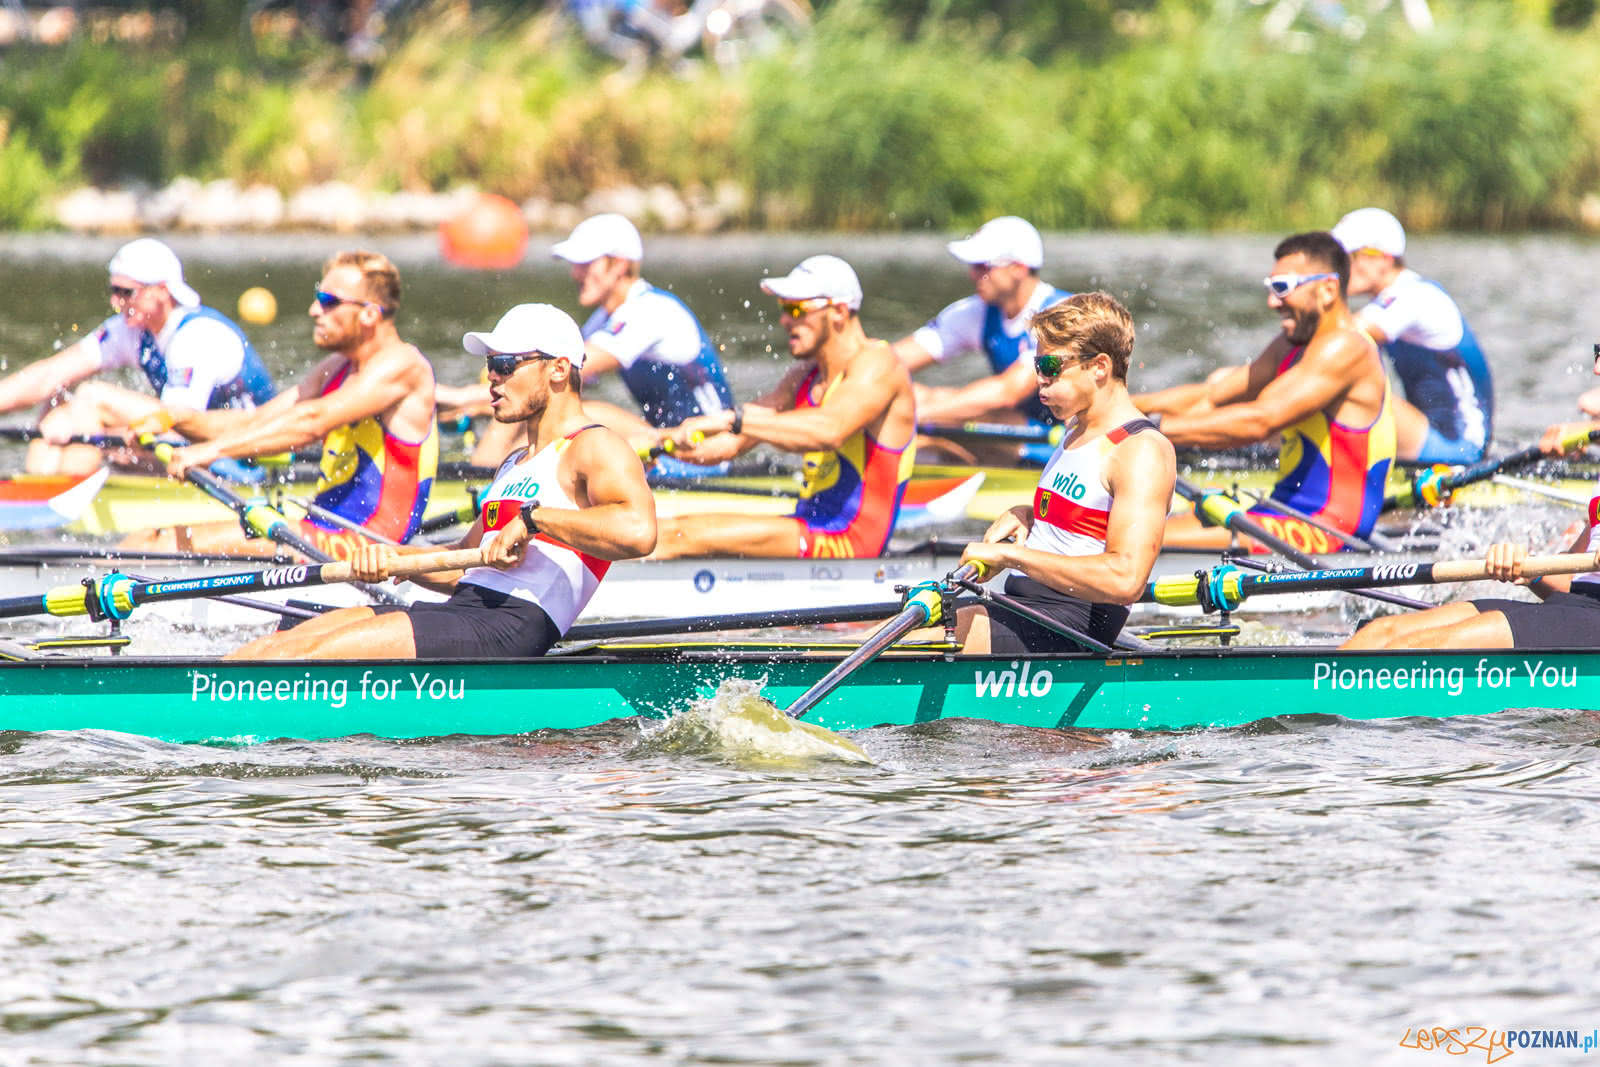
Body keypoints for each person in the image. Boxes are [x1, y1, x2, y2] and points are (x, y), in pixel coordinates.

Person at [231, 303, 657, 660]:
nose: (491, 377)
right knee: (272, 647)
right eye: (490, 365)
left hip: (509, 627)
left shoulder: (594, 446)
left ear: (559, 370)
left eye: (505, 365)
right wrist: (396, 558)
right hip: (463, 610)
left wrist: (533, 521)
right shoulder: (513, 464)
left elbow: (638, 533)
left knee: (306, 658)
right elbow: (462, 564)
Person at [122, 250, 439, 559]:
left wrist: (211, 451)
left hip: (368, 549)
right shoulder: (336, 366)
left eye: (329, 302)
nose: (315, 310)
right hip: (319, 532)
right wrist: (171, 419)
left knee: (160, 544)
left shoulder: (403, 365)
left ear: (370, 313)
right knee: (145, 538)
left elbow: (311, 422)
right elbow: (255, 421)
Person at [948, 293, 1175, 653]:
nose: (1040, 379)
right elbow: (1083, 530)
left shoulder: (1140, 451)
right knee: (874, 630)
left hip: (1070, 629)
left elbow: (1126, 578)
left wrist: (1011, 557)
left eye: (1051, 367)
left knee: (909, 640)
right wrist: (1029, 515)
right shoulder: (1078, 427)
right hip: (1026, 610)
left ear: (1099, 366)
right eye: (1037, 366)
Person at [651, 254, 916, 559]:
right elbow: (728, 444)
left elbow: (830, 431)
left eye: (796, 309)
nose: (785, 320)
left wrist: (733, 418)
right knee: (665, 529)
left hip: (849, 541)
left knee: (675, 535)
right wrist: (657, 445)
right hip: (808, 527)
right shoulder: (803, 377)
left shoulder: (879, 364)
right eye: (783, 308)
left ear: (839, 311)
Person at [1147, 232, 1397, 553]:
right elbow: (1210, 397)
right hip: (1280, 514)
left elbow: (1259, 422)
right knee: (1130, 523)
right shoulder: (1291, 346)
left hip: (1326, 530)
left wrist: (1142, 431)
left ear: (1328, 290)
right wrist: (1116, 407)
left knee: (1139, 535)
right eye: (1270, 288)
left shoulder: (1347, 347)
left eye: (1282, 288)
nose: (1271, 302)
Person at [444, 213, 735, 469]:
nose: (575, 273)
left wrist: (458, 397)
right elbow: (549, 382)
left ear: (620, 266)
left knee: (585, 413)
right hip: (661, 449)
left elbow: (543, 377)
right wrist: (479, 402)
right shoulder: (603, 320)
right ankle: (492, 477)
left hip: (706, 453)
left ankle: (484, 483)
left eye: (585, 263)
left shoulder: (651, 312)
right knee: (536, 409)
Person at [0, 238, 275, 476]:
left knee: (91, 397)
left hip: (240, 457)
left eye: (126, 292)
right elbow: (50, 374)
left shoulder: (197, 336)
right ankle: (40, 497)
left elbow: (179, 424)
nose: (116, 302)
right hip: (188, 442)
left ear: (162, 292)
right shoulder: (134, 328)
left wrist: (103, 439)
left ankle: (68, 499)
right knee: (59, 402)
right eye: (114, 290)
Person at [1332, 207, 1494, 464]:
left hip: (1461, 448)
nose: (1338, 267)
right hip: (1427, 436)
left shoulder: (1416, 298)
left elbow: (1339, 337)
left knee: (1350, 392)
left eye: (1348, 256)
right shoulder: (1389, 300)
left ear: (1384, 258)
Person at [891, 216, 1071, 426]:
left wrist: (918, 415)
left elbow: (1008, 391)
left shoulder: (1059, 315)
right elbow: (892, 360)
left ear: (1019, 269)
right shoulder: (978, 311)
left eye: (982, 266)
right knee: (913, 395)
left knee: (964, 413)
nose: (973, 275)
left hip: (1059, 436)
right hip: (1014, 429)